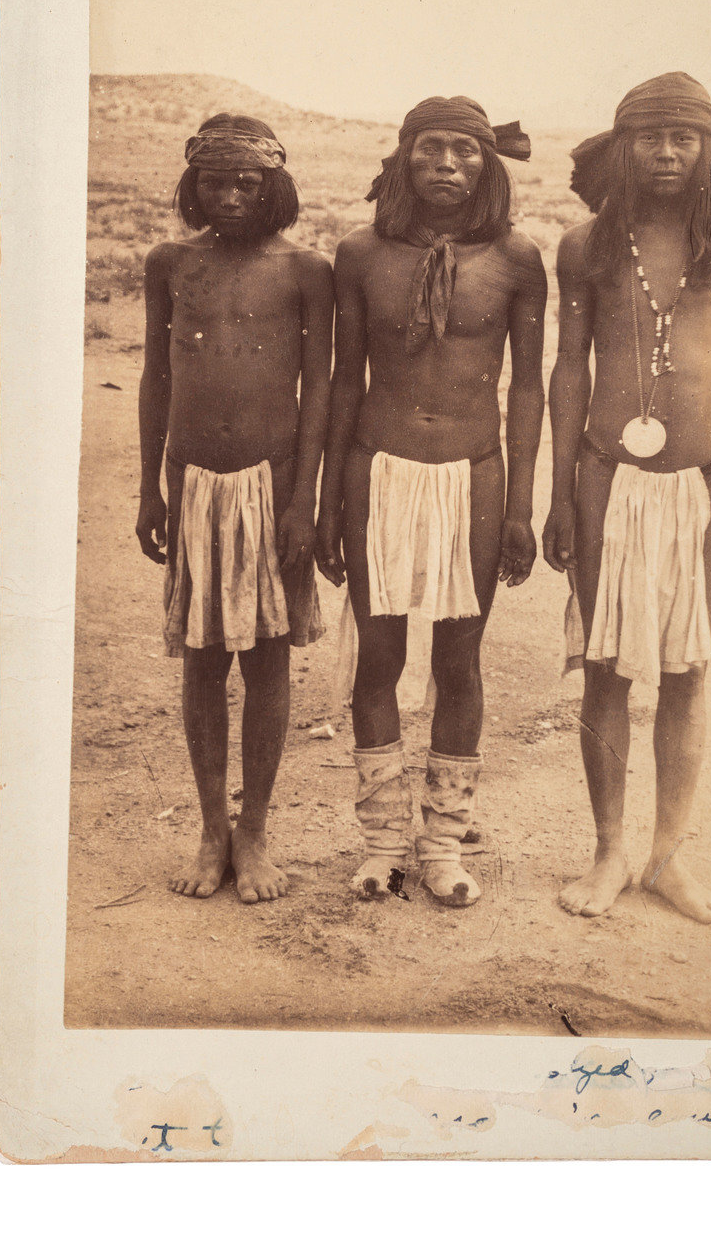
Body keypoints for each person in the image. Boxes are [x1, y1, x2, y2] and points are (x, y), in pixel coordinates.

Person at [542, 74, 711, 922]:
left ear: (708, 147)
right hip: (610, 479)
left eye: (684, 137)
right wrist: (563, 492)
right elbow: (570, 370)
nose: (668, 152)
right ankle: (609, 853)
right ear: (624, 146)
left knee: (685, 672)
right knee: (606, 669)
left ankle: (668, 857)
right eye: (651, 137)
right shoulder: (586, 247)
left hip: (710, 482)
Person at [316, 97, 547, 907]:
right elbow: (346, 380)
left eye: (464, 152)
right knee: (378, 659)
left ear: (489, 167)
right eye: (430, 150)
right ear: (403, 161)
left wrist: (519, 504)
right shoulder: (359, 255)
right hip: (377, 470)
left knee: (460, 660)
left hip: (473, 475)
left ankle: (443, 844)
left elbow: (528, 389)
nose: (446, 166)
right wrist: (326, 504)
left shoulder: (519, 259)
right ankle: (381, 843)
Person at [136, 113, 333, 904]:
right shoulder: (169, 263)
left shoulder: (305, 270)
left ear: (274, 186)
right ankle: (213, 829)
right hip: (192, 483)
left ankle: (256, 834)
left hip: (270, 483)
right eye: (215, 181)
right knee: (203, 658)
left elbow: (318, 390)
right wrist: (148, 486)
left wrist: (301, 503)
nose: (231, 195)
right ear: (193, 185)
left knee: (267, 659)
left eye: (248, 181)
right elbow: (156, 378)